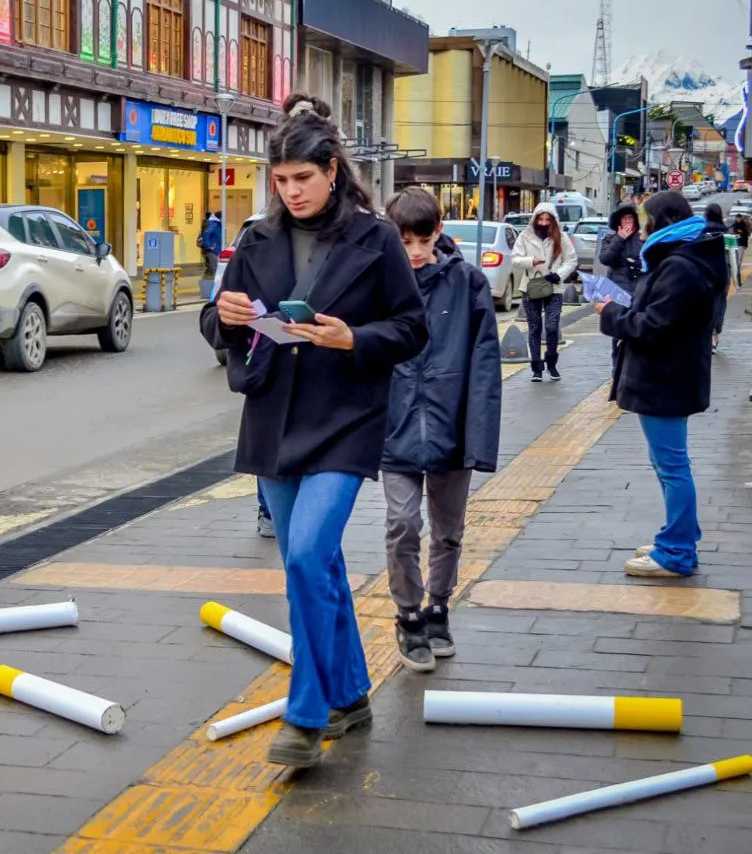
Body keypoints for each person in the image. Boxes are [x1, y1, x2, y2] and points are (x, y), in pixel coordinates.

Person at [200, 93, 427, 769]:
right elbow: (217, 330)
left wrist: (350, 335)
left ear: (331, 169)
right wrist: (227, 315)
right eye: (281, 180)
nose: (291, 191)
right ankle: (352, 692)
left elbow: (413, 328)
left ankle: (305, 715)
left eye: (303, 177)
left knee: (303, 558)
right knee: (317, 565)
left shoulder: (375, 237)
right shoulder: (256, 240)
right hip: (275, 419)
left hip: (346, 418)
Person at [380, 189, 501, 672]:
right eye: (404, 240)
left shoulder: (468, 282)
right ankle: (408, 614)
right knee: (402, 524)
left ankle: (438, 608)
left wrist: (480, 437)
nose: (414, 250)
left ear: (440, 230)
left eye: (423, 238)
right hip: (396, 427)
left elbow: (487, 364)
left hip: (451, 426)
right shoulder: (380, 284)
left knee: (448, 531)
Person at [595, 191, 724, 577]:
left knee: (672, 466)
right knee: (667, 463)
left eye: (648, 220)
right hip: (670, 378)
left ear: (663, 222)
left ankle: (678, 551)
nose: (644, 228)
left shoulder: (681, 266)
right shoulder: (684, 257)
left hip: (666, 380)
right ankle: (679, 535)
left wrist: (612, 312)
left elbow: (654, 325)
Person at [511, 203, 577, 383]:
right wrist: (530, 261)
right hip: (530, 287)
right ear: (535, 219)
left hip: (554, 288)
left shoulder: (560, 237)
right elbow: (515, 259)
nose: (544, 222)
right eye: (540, 219)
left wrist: (559, 274)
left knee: (552, 326)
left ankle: (552, 363)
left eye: (548, 219)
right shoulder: (525, 236)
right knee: (534, 328)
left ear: (553, 220)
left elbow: (571, 260)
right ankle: (537, 369)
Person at [599, 203, 645, 366]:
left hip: (639, 290)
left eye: (630, 218)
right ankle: (616, 365)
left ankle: (632, 364)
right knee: (618, 331)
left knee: (636, 328)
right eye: (624, 218)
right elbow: (605, 259)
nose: (627, 221)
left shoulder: (641, 239)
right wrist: (619, 239)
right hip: (618, 290)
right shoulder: (610, 239)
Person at [705, 202, 730, 350]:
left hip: (705, 271)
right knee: (720, 304)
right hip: (722, 271)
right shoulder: (726, 231)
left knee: (705, 304)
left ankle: (707, 336)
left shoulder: (701, 232)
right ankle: (715, 335)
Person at [199, 210, 224, 278]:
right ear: (220, 217)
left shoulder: (215, 224)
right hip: (213, 251)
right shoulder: (214, 224)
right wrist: (209, 246)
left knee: (216, 270)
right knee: (216, 271)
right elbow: (206, 234)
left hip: (216, 250)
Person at [732, 213, 749, 284]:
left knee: (739, 261)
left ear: (741, 218)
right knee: (735, 261)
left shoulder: (744, 225)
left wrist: (745, 245)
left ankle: (738, 275)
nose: (738, 219)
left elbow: (746, 236)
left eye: (739, 218)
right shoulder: (734, 225)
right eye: (737, 218)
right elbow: (732, 233)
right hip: (734, 245)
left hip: (741, 245)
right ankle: (736, 275)